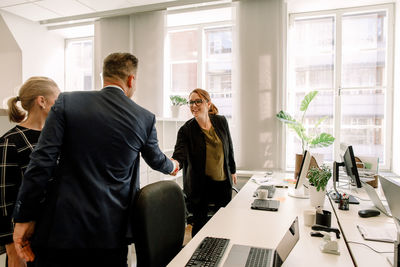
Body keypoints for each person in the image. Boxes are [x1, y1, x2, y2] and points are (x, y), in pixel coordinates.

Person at [12, 53, 178, 267]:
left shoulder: (68, 102)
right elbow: (156, 160)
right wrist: (173, 165)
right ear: (131, 80)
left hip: (62, 229)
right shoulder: (144, 118)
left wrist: (24, 217)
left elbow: (41, 162)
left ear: (103, 76)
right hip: (110, 233)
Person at [0, 77, 60, 267]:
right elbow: (3, 201)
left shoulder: (57, 138)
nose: (60, 107)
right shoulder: (11, 141)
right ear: (42, 101)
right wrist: (12, 250)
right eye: (57, 101)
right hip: (26, 244)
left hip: (56, 236)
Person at [172, 88, 236, 237]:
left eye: (198, 101)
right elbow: (179, 155)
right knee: (200, 227)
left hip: (222, 184)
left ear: (208, 104)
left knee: (223, 226)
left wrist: (232, 170)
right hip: (200, 187)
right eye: (191, 102)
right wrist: (174, 164)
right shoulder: (186, 130)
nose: (194, 105)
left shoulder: (221, 121)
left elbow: (229, 146)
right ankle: (199, 257)